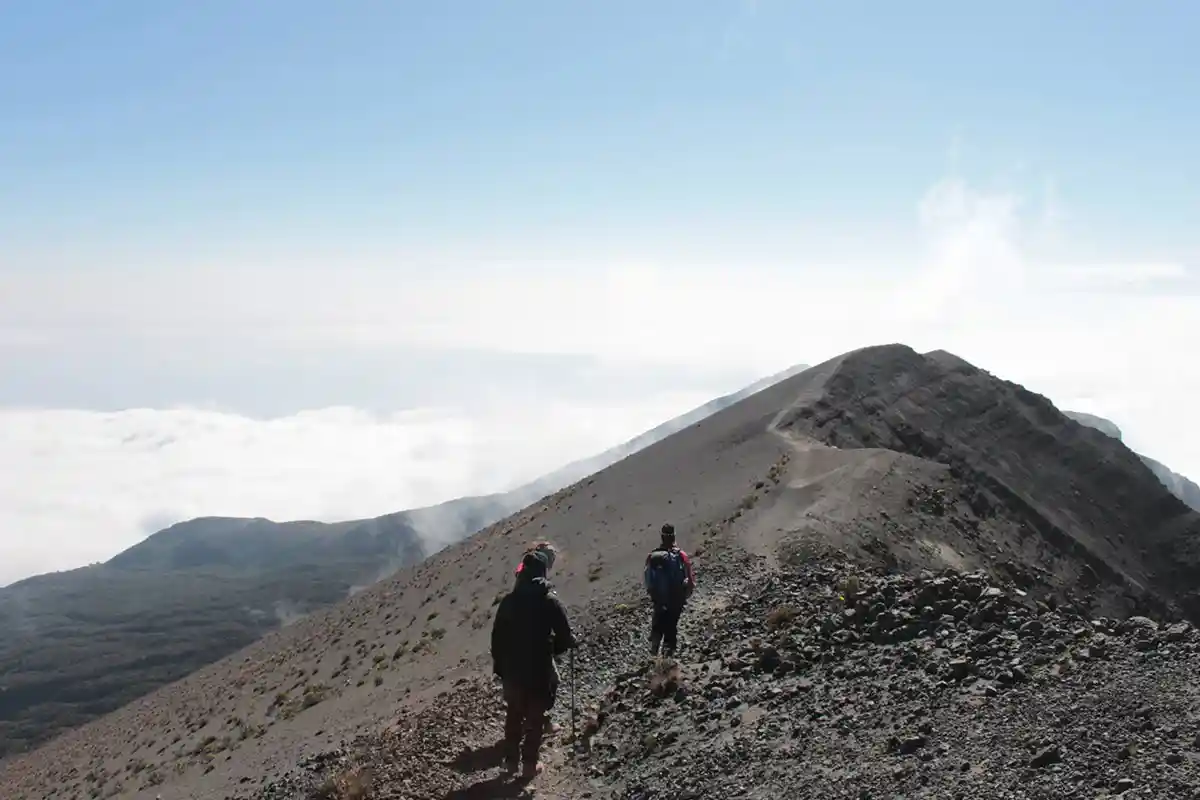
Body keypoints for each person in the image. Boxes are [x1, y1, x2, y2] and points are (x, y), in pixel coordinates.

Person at [491, 548, 576, 779]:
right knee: (535, 719)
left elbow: (497, 638)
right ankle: (529, 765)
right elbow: (564, 636)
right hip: (540, 669)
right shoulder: (549, 601)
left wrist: (500, 668)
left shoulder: (508, 602)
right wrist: (557, 650)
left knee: (514, 714)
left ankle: (510, 762)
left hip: (512, 671)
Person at [643, 523, 695, 658]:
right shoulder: (681, 555)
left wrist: (653, 594)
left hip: (659, 598)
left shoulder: (653, 556)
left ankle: (653, 653)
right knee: (671, 626)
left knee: (658, 622)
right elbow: (690, 578)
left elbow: (648, 578)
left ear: (661, 537)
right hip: (676, 597)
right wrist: (686, 593)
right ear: (674, 537)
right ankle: (667, 658)